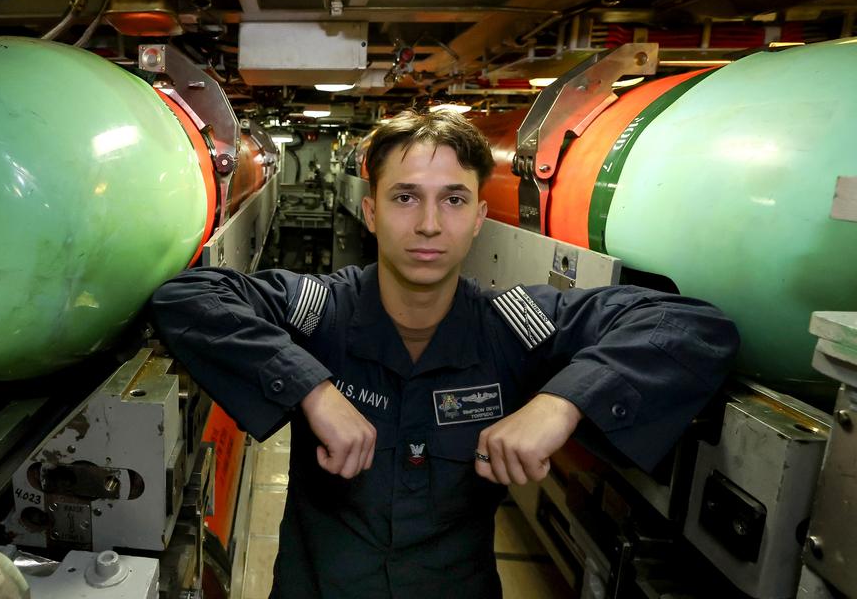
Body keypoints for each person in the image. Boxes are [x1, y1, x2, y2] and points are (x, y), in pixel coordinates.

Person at [149, 107, 739, 599]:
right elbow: (189, 295)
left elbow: (690, 326)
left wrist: (560, 404)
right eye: (406, 197)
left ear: (481, 218)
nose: (429, 224)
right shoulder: (320, 308)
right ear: (371, 211)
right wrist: (313, 388)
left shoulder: (514, 327)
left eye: (454, 200)